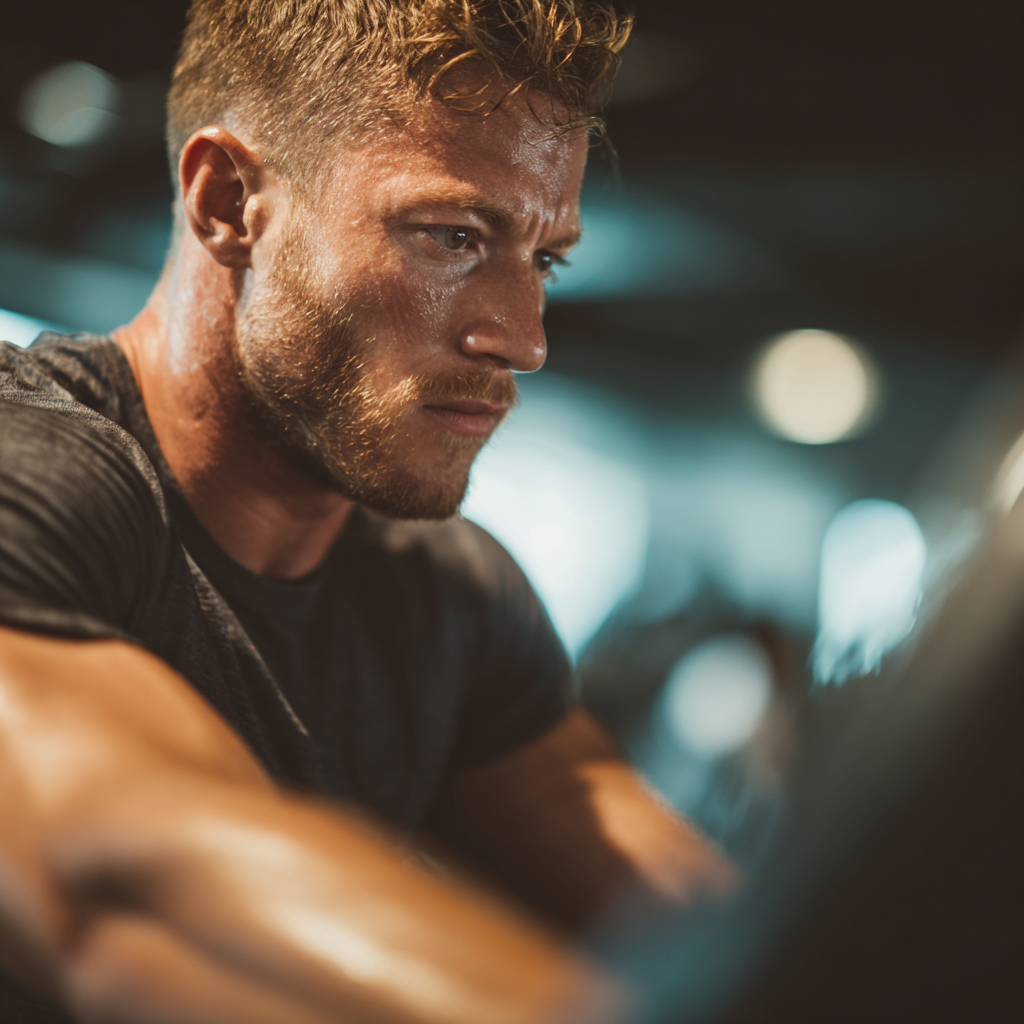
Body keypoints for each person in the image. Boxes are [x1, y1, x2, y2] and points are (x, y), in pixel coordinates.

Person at [0, 2, 737, 1021]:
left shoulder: (446, 590)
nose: (525, 340)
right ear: (229, 201)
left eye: (544, 259)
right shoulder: (31, 473)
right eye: (453, 236)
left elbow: (705, 927)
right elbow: (128, 877)